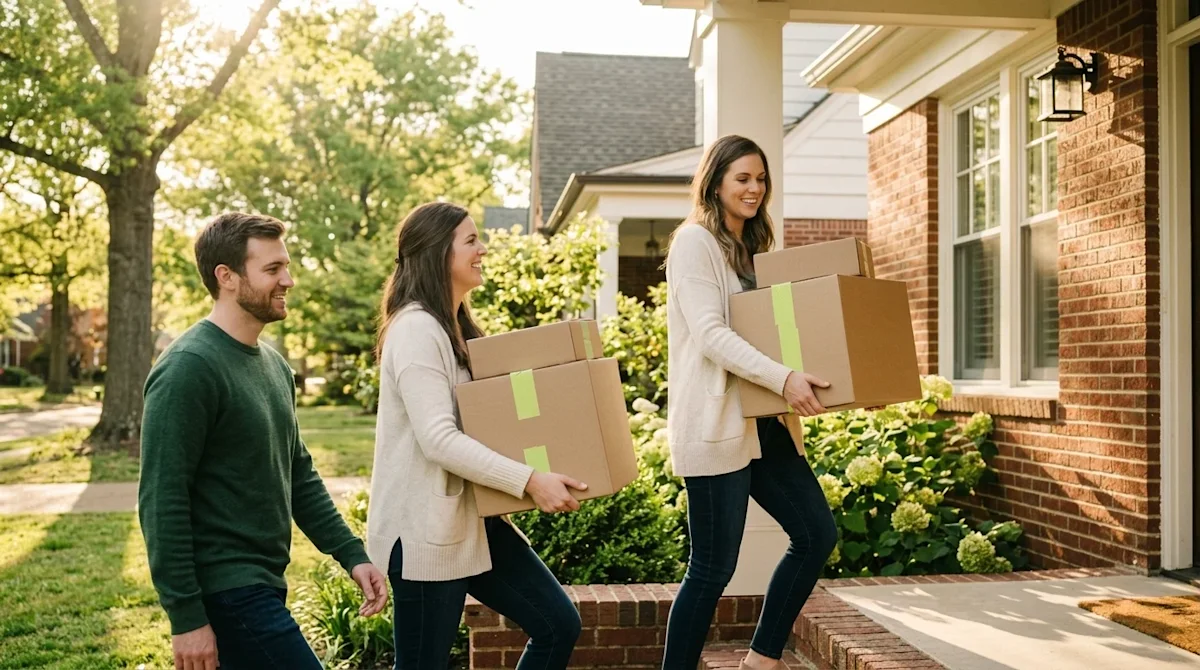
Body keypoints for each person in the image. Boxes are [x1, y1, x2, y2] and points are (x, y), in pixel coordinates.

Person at [138, 212, 389, 670]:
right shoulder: (188, 368)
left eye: (286, 267)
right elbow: (162, 499)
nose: (288, 280)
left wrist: (352, 555)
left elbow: (298, 474)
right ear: (226, 277)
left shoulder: (273, 367)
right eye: (272, 270)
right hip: (227, 590)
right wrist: (187, 618)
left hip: (264, 583)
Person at [366, 201, 585, 669]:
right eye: (470, 241)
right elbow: (438, 439)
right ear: (436, 254)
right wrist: (529, 480)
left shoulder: (455, 328)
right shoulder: (416, 331)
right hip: (425, 532)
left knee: (557, 623)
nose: (482, 249)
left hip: (475, 524)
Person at [660, 135, 839, 670]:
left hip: (762, 422)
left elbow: (774, 328)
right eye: (743, 178)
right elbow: (711, 334)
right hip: (716, 422)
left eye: (761, 178)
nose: (755, 188)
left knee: (815, 534)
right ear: (715, 182)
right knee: (712, 569)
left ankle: (761, 658)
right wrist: (785, 379)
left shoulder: (753, 250)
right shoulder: (695, 243)